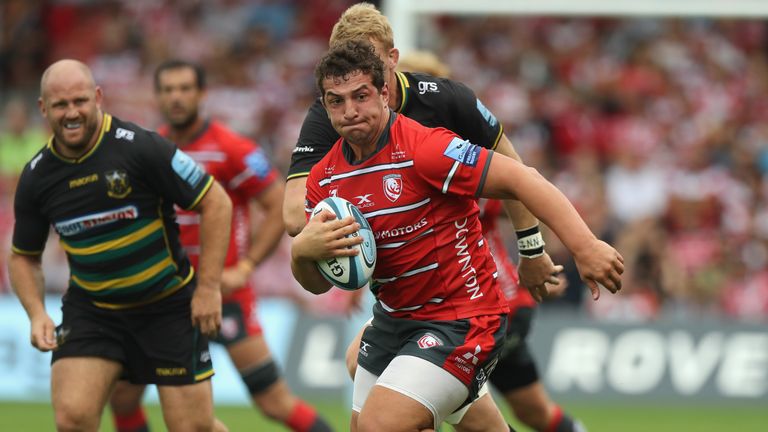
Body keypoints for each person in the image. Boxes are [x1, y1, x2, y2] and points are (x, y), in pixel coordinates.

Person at [292, 40, 624, 432]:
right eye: (336, 101)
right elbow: (316, 284)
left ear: (384, 93)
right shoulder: (324, 179)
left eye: (360, 96)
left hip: (461, 319)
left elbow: (522, 179)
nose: (350, 111)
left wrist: (585, 247)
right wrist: (301, 252)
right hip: (393, 322)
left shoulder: (425, 148)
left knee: (378, 425)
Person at [351, 51, 589, 432]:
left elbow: (519, 184)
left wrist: (534, 252)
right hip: (428, 307)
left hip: (490, 298)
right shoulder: (390, 153)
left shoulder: (456, 152)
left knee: (532, 412)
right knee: (374, 376)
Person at [107, 60, 334, 432]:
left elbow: (279, 207)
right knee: (123, 395)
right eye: (168, 90)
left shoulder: (231, 148)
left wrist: (244, 269)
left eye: (184, 88)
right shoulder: (150, 151)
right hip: (165, 295)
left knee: (273, 402)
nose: (176, 97)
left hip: (225, 295)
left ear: (201, 94)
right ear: (158, 97)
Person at [282, 2, 563, 302]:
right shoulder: (333, 114)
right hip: (400, 289)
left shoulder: (445, 100)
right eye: (349, 65)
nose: (359, 75)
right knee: (359, 350)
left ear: (393, 59)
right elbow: (296, 217)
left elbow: (516, 175)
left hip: (467, 280)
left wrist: (532, 250)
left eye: (371, 64)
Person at [8, 59, 233, 431]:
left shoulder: (141, 148)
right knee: (73, 418)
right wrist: (36, 313)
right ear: (42, 108)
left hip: (167, 306)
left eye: (79, 101)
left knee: (194, 426)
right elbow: (23, 258)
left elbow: (216, 202)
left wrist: (208, 288)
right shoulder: (37, 177)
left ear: (98, 97)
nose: (71, 113)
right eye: (60, 105)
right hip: (94, 311)